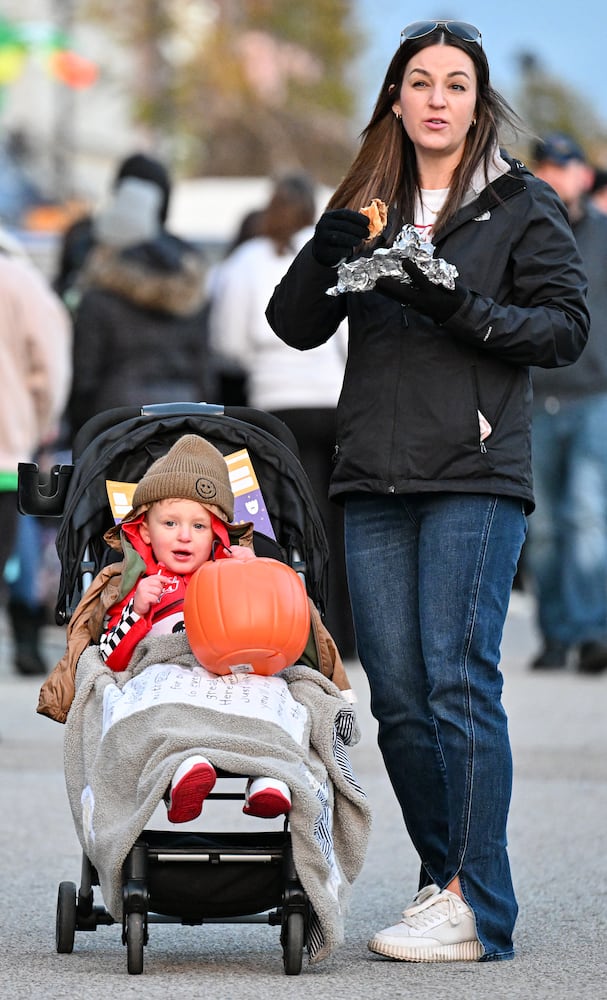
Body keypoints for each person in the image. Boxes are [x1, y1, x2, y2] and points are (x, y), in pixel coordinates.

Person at [266, 19, 589, 963]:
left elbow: (563, 331)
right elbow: (291, 326)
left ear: (477, 102)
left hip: (476, 470)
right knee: (399, 697)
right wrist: (326, 253)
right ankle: (441, 878)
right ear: (397, 101)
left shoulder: (521, 205)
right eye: (420, 81)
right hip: (371, 469)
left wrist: (454, 303)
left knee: (457, 681)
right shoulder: (366, 199)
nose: (437, 97)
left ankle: (479, 904)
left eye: (455, 82)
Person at [96, 433, 291, 821]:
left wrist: (251, 577)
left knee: (272, 692)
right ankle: (186, 766)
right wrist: (135, 611)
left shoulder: (229, 577)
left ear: (218, 534)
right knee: (161, 694)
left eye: (199, 527)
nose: (184, 535)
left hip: (228, 675)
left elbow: (270, 632)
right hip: (171, 674)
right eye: (170, 523)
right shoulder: (138, 586)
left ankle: (272, 774)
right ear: (146, 531)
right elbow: (110, 658)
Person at [208, 174, 356, 658]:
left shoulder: (244, 263)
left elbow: (227, 343)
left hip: (272, 410)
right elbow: (346, 338)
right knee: (337, 521)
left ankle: (293, 625)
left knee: (280, 521)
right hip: (330, 401)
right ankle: (345, 632)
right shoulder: (325, 256)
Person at [524, 134, 607, 673]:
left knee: (587, 515)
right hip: (532, 396)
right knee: (544, 526)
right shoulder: (522, 234)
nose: (558, 175)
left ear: (583, 175)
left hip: (594, 396)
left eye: (567, 166)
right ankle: (555, 635)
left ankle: (591, 631)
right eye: (548, 167)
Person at [65, 158, 212, 442]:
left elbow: (85, 375)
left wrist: (79, 431)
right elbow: (203, 366)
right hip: (185, 417)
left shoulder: (98, 281)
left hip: (115, 421)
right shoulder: (190, 278)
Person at [0, 224, 72, 674]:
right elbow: (51, 365)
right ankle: (25, 625)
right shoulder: (21, 281)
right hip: (7, 446)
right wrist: (42, 422)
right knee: (18, 534)